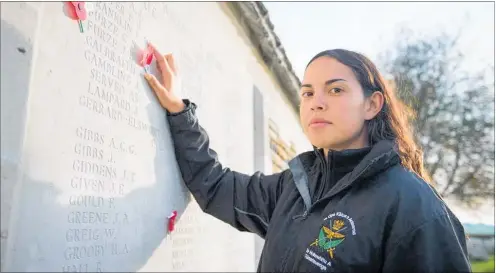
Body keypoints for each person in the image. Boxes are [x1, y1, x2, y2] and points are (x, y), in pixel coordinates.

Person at [144, 45, 471, 273]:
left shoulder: (413, 206)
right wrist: (178, 110)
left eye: (336, 90)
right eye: (308, 92)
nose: (316, 102)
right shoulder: (295, 186)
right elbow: (214, 186)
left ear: (372, 105)